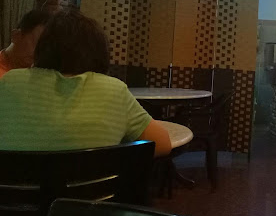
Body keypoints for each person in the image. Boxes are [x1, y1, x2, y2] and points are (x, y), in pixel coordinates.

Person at [0, 9, 171, 157]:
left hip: (17, 186)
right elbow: (163, 144)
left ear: (43, 47)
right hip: (94, 186)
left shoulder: (10, 81)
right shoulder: (114, 90)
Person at [0, 9, 50, 78]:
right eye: (36, 43)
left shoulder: (40, 76)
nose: (38, 53)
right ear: (16, 35)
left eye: (44, 48)